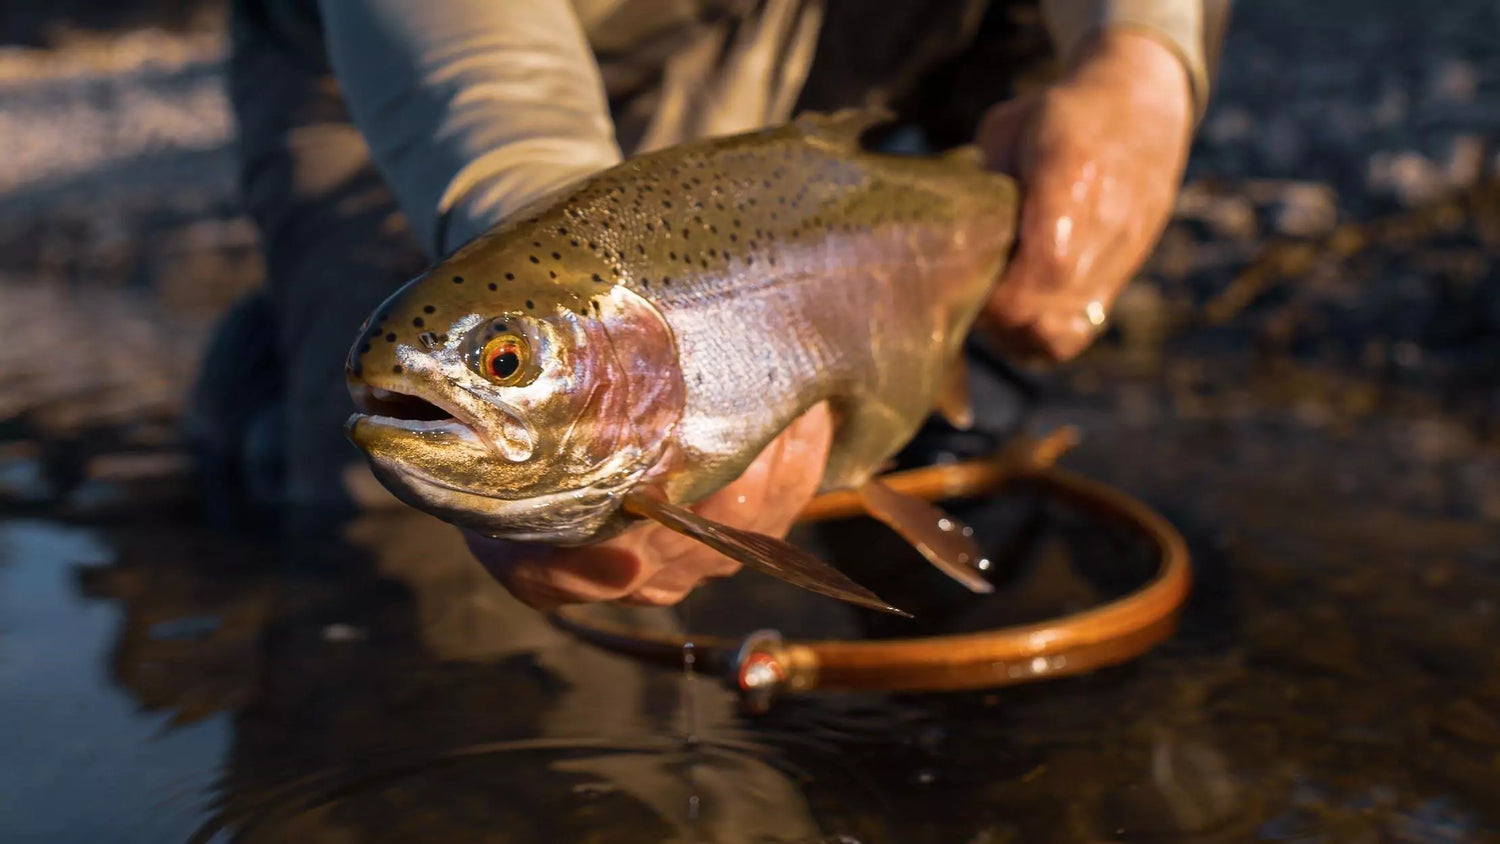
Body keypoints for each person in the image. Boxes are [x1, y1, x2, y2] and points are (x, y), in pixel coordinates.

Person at [191, 0, 1230, 610]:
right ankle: (273, 367)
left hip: (805, 36)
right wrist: (523, 202)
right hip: (396, 60)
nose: (500, 367)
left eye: (506, 364)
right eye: (508, 363)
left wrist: (1140, 62)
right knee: (411, 581)